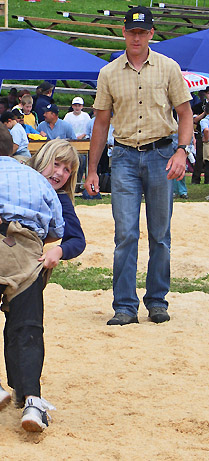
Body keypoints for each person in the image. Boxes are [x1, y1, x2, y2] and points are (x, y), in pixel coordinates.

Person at [0, 138, 85, 431]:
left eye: (68, 170)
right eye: (56, 164)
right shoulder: (13, 178)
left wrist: (57, 250)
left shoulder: (58, 198)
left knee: (21, 329)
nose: (59, 173)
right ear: (41, 158)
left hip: (27, 266)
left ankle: (26, 396)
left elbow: (75, 239)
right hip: (0, 261)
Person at [85, 6, 193, 326]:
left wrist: (182, 151)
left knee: (160, 234)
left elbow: (185, 113)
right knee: (126, 233)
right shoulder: (109, 73)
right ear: (123, 31)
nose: (136, 37)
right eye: (132, 31)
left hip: (163, 154)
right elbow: (101, 123)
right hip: (124, 158)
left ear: (151, 33)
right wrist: (92, 169)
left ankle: (157, 300)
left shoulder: (169, 68)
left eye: (142, 32)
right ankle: (125, 306)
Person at [191, 87, 209, 184]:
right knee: (200, 157)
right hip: (201, 134)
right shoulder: (199, 105)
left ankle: (207, 179)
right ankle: (196, 179)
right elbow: (194, 120)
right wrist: (204, 113)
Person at [199, 101, 209, 184]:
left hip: (207, 143)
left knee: (207, 162)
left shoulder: (204, 121)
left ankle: (207, 181)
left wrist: (206, 139)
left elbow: (206, 130)